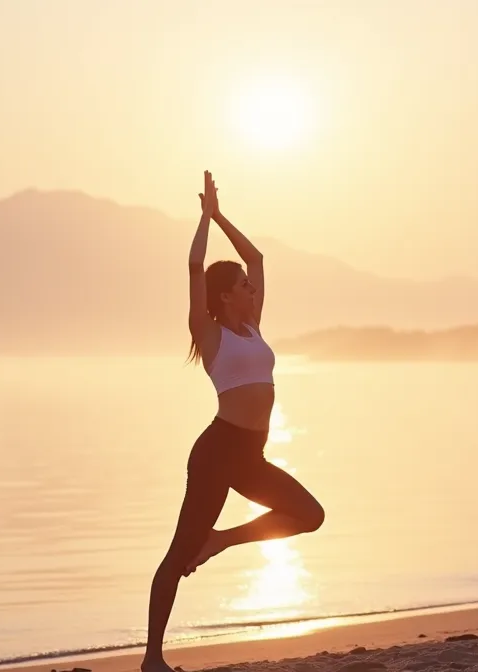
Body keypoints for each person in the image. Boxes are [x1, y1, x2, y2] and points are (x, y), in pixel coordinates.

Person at [141, 172, 326, 672]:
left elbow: (258, 259)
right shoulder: (211, 333)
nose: (251, 286)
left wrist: (223, 215)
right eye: (242, 286)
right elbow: (195, 265)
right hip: (218, 453)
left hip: (251, 455)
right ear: (225, 297)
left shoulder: (252, 325)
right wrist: (204, 219)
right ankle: (152, 658)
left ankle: (219, 540)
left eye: (249, 286)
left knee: (308, 515)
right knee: (178, 555)